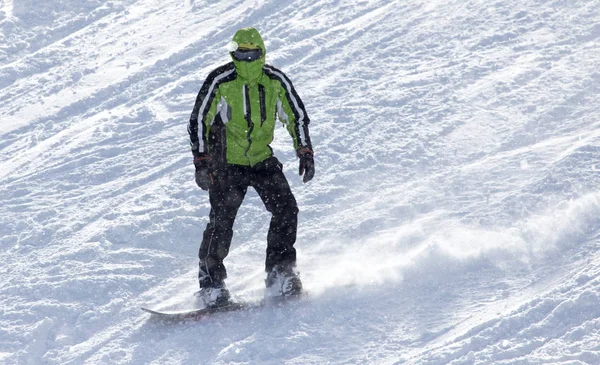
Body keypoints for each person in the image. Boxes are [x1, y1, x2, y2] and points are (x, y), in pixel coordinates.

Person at [187, 28, 315, 308]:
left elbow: (296, 117)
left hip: (260, 159)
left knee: (286, 209)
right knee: (222, 220)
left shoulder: (274, 81)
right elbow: (199, 120)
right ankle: (211, 285)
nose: (245, 59)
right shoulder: (221, 80)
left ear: (262, 53)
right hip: (226, 162)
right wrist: (202, 161)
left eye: (251, 54)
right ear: (233, 54)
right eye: (239, 54)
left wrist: (304, 150)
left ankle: (280, 273)